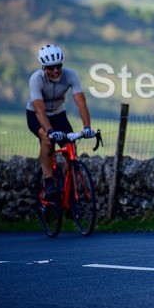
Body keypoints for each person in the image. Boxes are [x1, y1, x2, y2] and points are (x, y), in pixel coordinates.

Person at [27, 44, 94, 201]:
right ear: (43, 67)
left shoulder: (70, 75)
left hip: (58, 114)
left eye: (58, 66)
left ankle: (68, 187)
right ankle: (48, 181)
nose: (56, 70)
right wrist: (50, 131)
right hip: (36, 115)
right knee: (47, 139)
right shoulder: (36, 79)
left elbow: (81, 104)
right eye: (51, 67)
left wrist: (87, 128)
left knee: (70, 148)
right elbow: (39, 110)